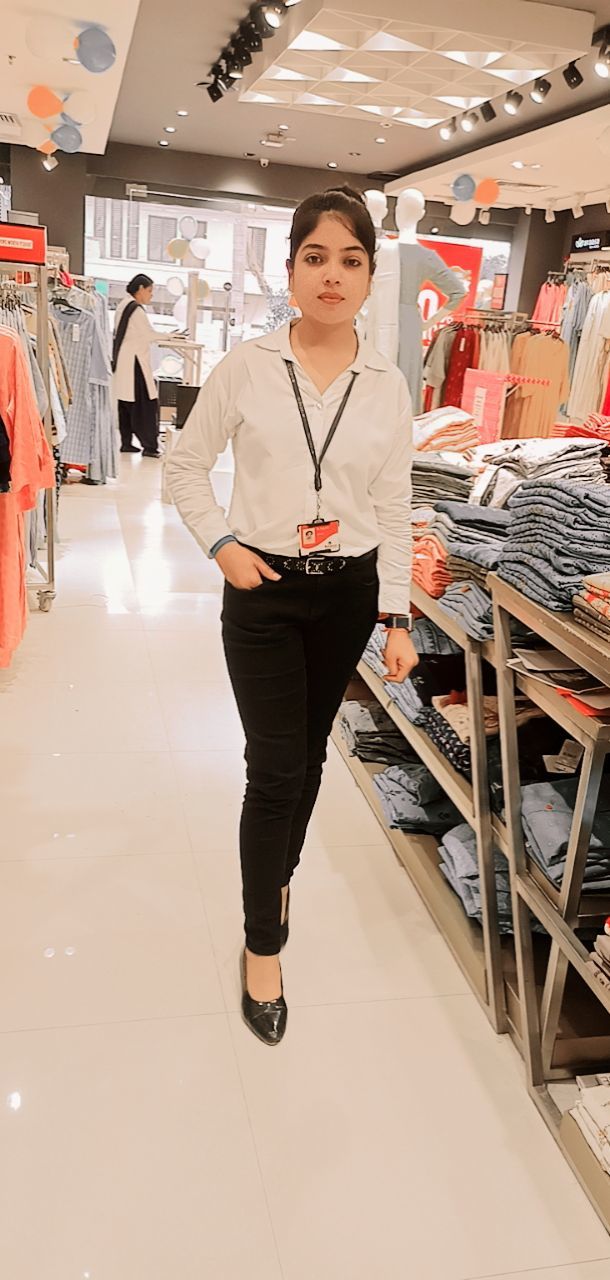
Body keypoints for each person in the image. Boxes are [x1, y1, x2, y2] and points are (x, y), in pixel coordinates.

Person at [167, 186, 417, 1047]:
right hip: (264, 593)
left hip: (347, 594)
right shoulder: (247, 367)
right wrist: (221, 545)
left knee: (307, 759)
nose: (332, 275)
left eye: (351, 259)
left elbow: (394, 503)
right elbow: (186, 465)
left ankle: (275, 880)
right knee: (274, 769)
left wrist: (396, 615)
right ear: (290, 269)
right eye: (316, 257)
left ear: (370, 276)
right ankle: (263, 943)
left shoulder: (386, 384)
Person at [112, 273, 161, 458]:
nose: (151, 295)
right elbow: (148, 334)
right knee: (145, 404)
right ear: (140, 289)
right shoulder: (136, 310)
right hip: (135, 362)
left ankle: (127, 443)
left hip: (123, 360)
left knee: (126, 403)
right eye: (149, 291)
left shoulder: (123, 305)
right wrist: (172, 336)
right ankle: (150, 446)